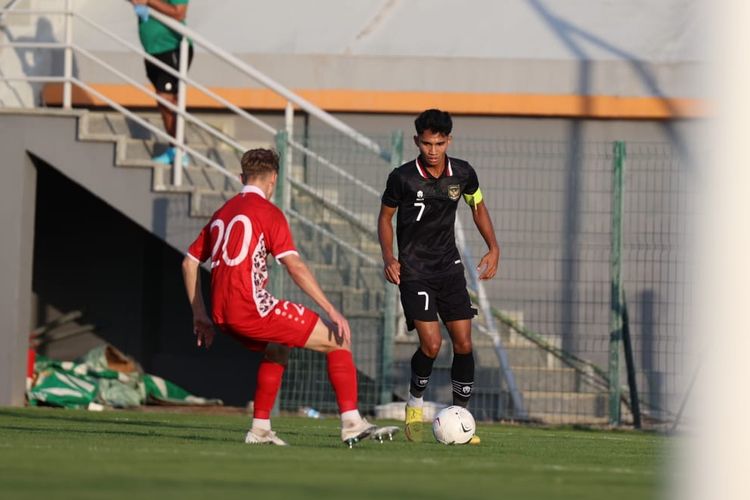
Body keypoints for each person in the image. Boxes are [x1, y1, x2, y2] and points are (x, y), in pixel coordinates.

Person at [182, 148, 379, 447]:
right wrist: (331, 310)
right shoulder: (268, 213)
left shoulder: (223, 212)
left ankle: (260, 429)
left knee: (277, 348)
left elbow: (189, 262)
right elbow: (294, 266)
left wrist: (200, 314)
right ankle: (351, 422)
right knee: (339, 339)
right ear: (273, 179)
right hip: (251, 309)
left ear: (241, 177)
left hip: (222, 314)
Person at [378, 109, 500, 443]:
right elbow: (385, 218)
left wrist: (493, 247)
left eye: (439, 143)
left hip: (449, 268)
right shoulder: (402, 177)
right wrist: (389, 257)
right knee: (431, 344)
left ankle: (462, 418)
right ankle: (414, 404)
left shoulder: (462, 173)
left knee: (463, 342)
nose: (433, 149)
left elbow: (478, 206)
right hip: (415, 271)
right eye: (427, 143)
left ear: (449, 141)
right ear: (417, 141)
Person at [131, 0, 193, 165]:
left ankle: (180, 149)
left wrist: (149, 1)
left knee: (167, 99)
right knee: (163, 100)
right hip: (153, 49)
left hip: (172, 47)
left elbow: (179, 12)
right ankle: (175, 148)